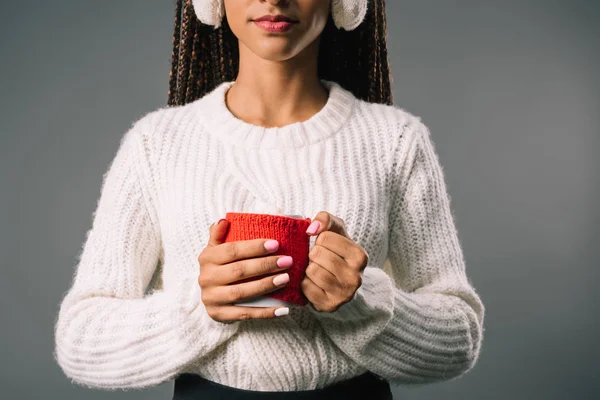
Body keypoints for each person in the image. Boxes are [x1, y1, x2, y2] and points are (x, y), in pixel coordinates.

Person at [53, 0, 485, 398]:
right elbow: (81, 341)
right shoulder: (156, 145)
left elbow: (459, 337)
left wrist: (362, 301)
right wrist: (196, 310)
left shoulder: (395, 141)